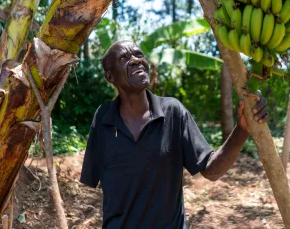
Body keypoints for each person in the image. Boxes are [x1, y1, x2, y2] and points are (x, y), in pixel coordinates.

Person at [80, 40, 269, 228]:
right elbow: (90, 180)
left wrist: (242, 130)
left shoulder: (172, 112)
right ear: (110, 76)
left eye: (138, 54)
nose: (136, 60)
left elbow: (212, 170)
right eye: (124, 58)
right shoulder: (104, 118)